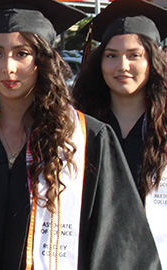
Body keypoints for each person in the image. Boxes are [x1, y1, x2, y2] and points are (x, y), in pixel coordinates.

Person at [0, 0, 161, 269]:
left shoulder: (88, 139)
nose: (8, 67)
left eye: (22, 53)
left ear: (43, 60)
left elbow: (120, 245)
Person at [72, 0, 167, 266]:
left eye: (134, 55)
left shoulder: (164, 126)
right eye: (111, 55)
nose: (122, 66)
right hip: (90, 254)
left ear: (152, 60)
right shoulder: (79, 125)